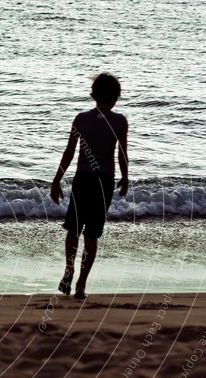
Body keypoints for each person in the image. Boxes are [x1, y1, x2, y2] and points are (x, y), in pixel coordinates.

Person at [50, 73, 128, 299]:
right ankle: (81, 284)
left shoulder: (81, 119)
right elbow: (123, 154)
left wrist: (56, 181)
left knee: (73, 229)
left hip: (83, 179)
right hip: (104, 182)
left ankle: (68, 269)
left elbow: (69, 153)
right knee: (92, 235)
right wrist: (125, 177)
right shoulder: (119, 121)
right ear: (116, 97)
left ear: (94, 94)